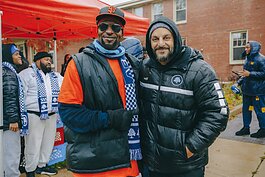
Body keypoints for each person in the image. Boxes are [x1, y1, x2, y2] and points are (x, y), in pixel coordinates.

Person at [139, 16, 229, 177]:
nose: (160, 43)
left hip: (185, 167)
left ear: (176, 39)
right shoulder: (145, 69)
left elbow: (218, 113)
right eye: (155, 39)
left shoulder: (200, 71)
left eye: (166, 38)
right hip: (151, 164)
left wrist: (190, 147)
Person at [58, 6, 141, 177]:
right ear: (97, 30)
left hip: (130, 161)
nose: (109, 31)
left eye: (115, 27)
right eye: (104, 26)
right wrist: (109, 119)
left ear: (122, 32)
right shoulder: (79, 64)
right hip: (95, 165)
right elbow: (69, 114)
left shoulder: (132, 63)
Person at [19, 52, 63, 177]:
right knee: (33, 143)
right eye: (46, 59)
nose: (49, 62)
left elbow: (66, 85)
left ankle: (41, 166)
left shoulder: (55, 76)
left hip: (51, 114)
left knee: (48, 142)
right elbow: (21, 96)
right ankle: (30, 169)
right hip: (33, 115)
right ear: (37, 61)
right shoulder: (26, 74)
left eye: (50, 59)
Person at [2, 44, 28, 177]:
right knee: (12, 155)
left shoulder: (8, 70)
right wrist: (13, 119)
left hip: (6, 121)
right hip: (10, 123)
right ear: (8, 56)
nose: (20, 56)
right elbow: (9, 96)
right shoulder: (8, 72)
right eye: (16, 53)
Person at [235, 41, 265, 138]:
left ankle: (263, 129)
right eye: (245, 47)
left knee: (260, 111)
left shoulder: (261, 59)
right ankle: (246, 128)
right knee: (246, 110)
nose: (245, 49)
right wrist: (237, 83)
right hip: (247, 91)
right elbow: (245, 74)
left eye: (247, 47)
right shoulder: (247, 59)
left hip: (257, 92)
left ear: (254, 48)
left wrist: (250, 74)